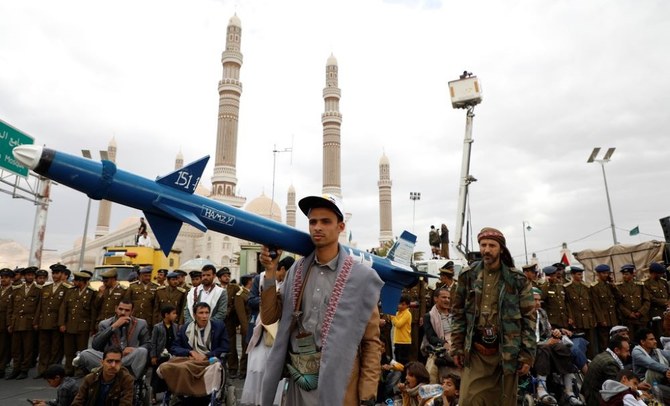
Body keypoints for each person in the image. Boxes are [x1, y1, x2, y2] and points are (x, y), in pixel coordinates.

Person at [259, 193, 383, 405]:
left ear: (341, 227)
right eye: (313, 221)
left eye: (326, 221)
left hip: (341, 385)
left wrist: (367, 394)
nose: (318, 227)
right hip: (300, 381)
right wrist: (270, 273)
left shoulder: (360, 278)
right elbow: (269, 317)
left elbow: (371, 343)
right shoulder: (296, 272)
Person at [451, 227, 535, 406]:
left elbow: (529, 319)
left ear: (501, 249)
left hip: (507, 352)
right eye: (483, 245)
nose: (486, 250)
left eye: (492, 245)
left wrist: (527, 354)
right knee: (468, 399)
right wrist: (457, 347)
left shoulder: (517, 279)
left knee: (504, 400)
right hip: (476, 351)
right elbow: (457, 313)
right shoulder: (468, 276)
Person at [241, 256, 295, 406]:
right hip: (261, 331)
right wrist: (270, 299)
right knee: (257, 368)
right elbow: (251, 300)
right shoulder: (261, 278)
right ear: (282, 269)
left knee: (275, 370)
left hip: (279, 332)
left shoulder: (291, 284)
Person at [158, 302, 229, 397]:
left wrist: (207, 355)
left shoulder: (219, 327)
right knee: (166, 366)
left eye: (207, 313)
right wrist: (190, 352)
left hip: (210, 360)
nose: (204, 316)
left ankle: (199, 392)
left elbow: (225, 347)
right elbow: (174, 347)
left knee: (189, 368)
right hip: (190, 359)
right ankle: (182, 392)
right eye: (201, 313)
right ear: (195, 315)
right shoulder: (186, 328)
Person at [532, 287, 583, 405]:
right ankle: (541, 389)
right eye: (534, 300)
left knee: (563, 348)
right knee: (544, 349)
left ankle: (568, 391)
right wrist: (545, 343)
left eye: (539, 300)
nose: (538, 303)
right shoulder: (523, 315)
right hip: (531, 346)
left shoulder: (542, 313)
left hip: (545, 343)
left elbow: (548, 331)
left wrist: (556, 333)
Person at [77, 299, 150, 377]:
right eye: (120, 309)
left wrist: (133, 350)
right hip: (109, 358)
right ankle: (119, 374)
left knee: (142, 351)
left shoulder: (141, 323)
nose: (123, 313)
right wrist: (114, 326)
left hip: (128, 358)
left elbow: (147, 344)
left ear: (132, 312)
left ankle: (130, 379)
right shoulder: (105, 324)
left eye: (127, 310)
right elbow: (96, 345)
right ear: (116, 309)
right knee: (85, 354)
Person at [34, 264, 70, 378]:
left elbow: (65, 308)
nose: (55, 275)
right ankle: (42, 370)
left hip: (56, 323)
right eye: (53, 273)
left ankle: (52, 372)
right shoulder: (46, 288)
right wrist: (36, 321)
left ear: (62, 274)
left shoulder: (67, 288)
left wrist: (62, 323)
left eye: (57, 273)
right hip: (44, 322)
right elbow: (40, 307)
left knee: (55, 349)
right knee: (43, 348)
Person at [59, 271, 97, 376]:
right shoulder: (70, 291)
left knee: (81, 351)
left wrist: (92, 327)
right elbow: (64, 308)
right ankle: (69, 369)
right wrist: (62, 323)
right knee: (69, 350)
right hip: (70, 325)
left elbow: (93, 312)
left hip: (83, 326)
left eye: (76, 280)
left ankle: (80, 369)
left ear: (82, 281)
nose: (74, 282)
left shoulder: (91, 293)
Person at [7, 266, 41, 379]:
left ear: (34, 277)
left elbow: (38, 308)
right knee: (15, 348)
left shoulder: (38, 290)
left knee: (27, 348)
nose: (30, 277)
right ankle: (15, 369)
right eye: (28, 275)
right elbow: (11, 308)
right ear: (24, 276)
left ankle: (24, 370)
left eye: (32, 275)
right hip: (16, 322)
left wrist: (35, 322)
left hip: (28, 323)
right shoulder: (16, 289)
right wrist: (10, 323)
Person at [564, 266, 596, 359]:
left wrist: (593, 318)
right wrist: (570, 317)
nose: (581, 276)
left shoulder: (586, 287)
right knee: (579, 341)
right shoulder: (567, 288)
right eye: (578, 274)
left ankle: (591, 359)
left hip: (588, 318)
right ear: (572, 275)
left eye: (581, 274)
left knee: (590, 342)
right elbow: (568, 304)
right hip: (576, 318)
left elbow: (591, 304)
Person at [423, 287, 453, 384]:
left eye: (448, 298)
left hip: (457, 346)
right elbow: (430, 337)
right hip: (440, 349)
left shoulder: (455, 314)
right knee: (432, 374)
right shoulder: (429, 316)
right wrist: (444, 343)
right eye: (444, 297)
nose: (447, 300)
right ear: (436, 299)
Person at [150, 304, 179, 404]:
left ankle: (168, 393)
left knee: (170, 375)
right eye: (173, 313)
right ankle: (153, 394)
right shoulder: (157, 327)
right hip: (160, 355)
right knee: (156, 375)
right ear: (166, 315)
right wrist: (153, 356)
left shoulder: (175, 326)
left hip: (171, 355)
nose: (176, 315)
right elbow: (153, 342)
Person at [591, 264, 620, 353]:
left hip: (613, 318)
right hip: (604, 319)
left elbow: (619, 297)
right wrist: (601, 319)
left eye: (607, 273)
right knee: (604, 342)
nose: (606, 275)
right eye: (604, 273)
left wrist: (613, 285)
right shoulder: (594, 287)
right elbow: (596, 305)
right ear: (598, 274)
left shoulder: (609, 285)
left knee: (615, 340)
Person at [631, 327, 670, 393]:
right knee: (653, 371)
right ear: (642, 342)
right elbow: (651, 363)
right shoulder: (636, 352)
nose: (655, 341)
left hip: (660, 382)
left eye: (654, 339)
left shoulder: (656, 351)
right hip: (644, 385)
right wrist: (667, 370)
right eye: (651, 339)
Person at [617, 264, 650, 333]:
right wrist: (628, 313)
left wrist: (640, 312)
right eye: (623, 274)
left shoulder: (640, 286)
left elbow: (647, 301)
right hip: (628, 319)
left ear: (632, 274)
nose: (624, 276)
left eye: (627, 274)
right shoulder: (619, 287)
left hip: (641, 318)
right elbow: (619, 303)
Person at [123, 266, 158, 330]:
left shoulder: (155, 287)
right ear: (140, 276)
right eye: (145, 276)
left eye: (149, 276)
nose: (148, 278)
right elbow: (127, 301)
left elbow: (156, 306)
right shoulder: (133, 286)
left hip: (148, 318)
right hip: (135, 316)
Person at [645, 262, 670, 340]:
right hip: (656, 312)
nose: (662, 275)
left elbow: (669, 293)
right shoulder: (646, 283)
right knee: (659, 333)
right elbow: (650, 298)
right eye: (660, 274)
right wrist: (665, 302)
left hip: (667, 311)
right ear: (654, 273)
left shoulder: (663, 282)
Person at [0, 268, 15, 378]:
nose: (3, 279)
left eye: (5, 277)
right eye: (2, 277)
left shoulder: (14, 291)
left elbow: (13, 309)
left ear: (10, 279)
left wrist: (10, 324)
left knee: (3, 348)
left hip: (5, 323)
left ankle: (1, 368)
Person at [392, 295, 413, 369]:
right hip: (397, 341)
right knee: (398, 362)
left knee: (404, 363)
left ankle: (405, 379)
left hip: (404, 342)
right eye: (399, 304)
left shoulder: (407, 313)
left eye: (403, 304)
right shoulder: (397, 313)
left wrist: (392, 316)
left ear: (407, 305)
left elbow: (398, 324)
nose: (400, 306)